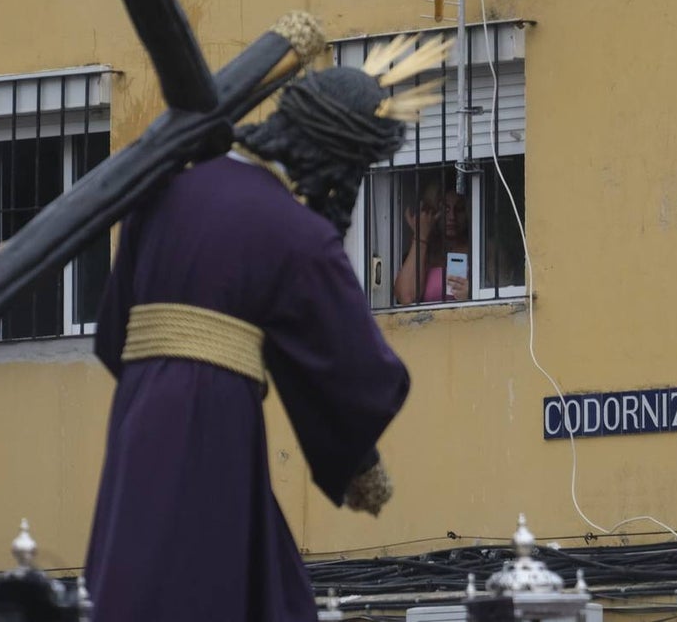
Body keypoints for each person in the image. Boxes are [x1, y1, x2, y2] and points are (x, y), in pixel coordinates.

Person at [83, 38, 447, 622]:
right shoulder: (297, 233)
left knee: (203, 580)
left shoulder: (163, 186)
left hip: (135, 416)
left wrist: (158, 380)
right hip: (214, 419)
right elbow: (350, 367)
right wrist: (360, 464)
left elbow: (112, 334)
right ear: (341, 157)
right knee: (207, 587)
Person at [393, 175, 471, 304]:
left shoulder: (483, 250)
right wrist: (420, 236)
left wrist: (473, 294)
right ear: (433, 211)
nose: (452, 216)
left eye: (460, 209)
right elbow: (406, 297)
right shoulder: (424, 253)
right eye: (445, 209)